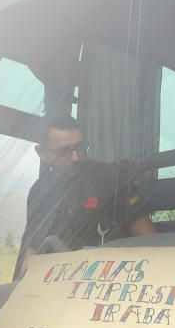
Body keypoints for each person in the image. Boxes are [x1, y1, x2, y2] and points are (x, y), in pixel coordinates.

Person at [17, 114, 156, 275]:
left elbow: (149, 242)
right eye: (64, 151)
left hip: (113, 279)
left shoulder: (112, 179)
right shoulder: (40, 190)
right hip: (59, 284)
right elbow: (33, 250)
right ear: (42, 153)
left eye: (81, 148)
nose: (76, 157)